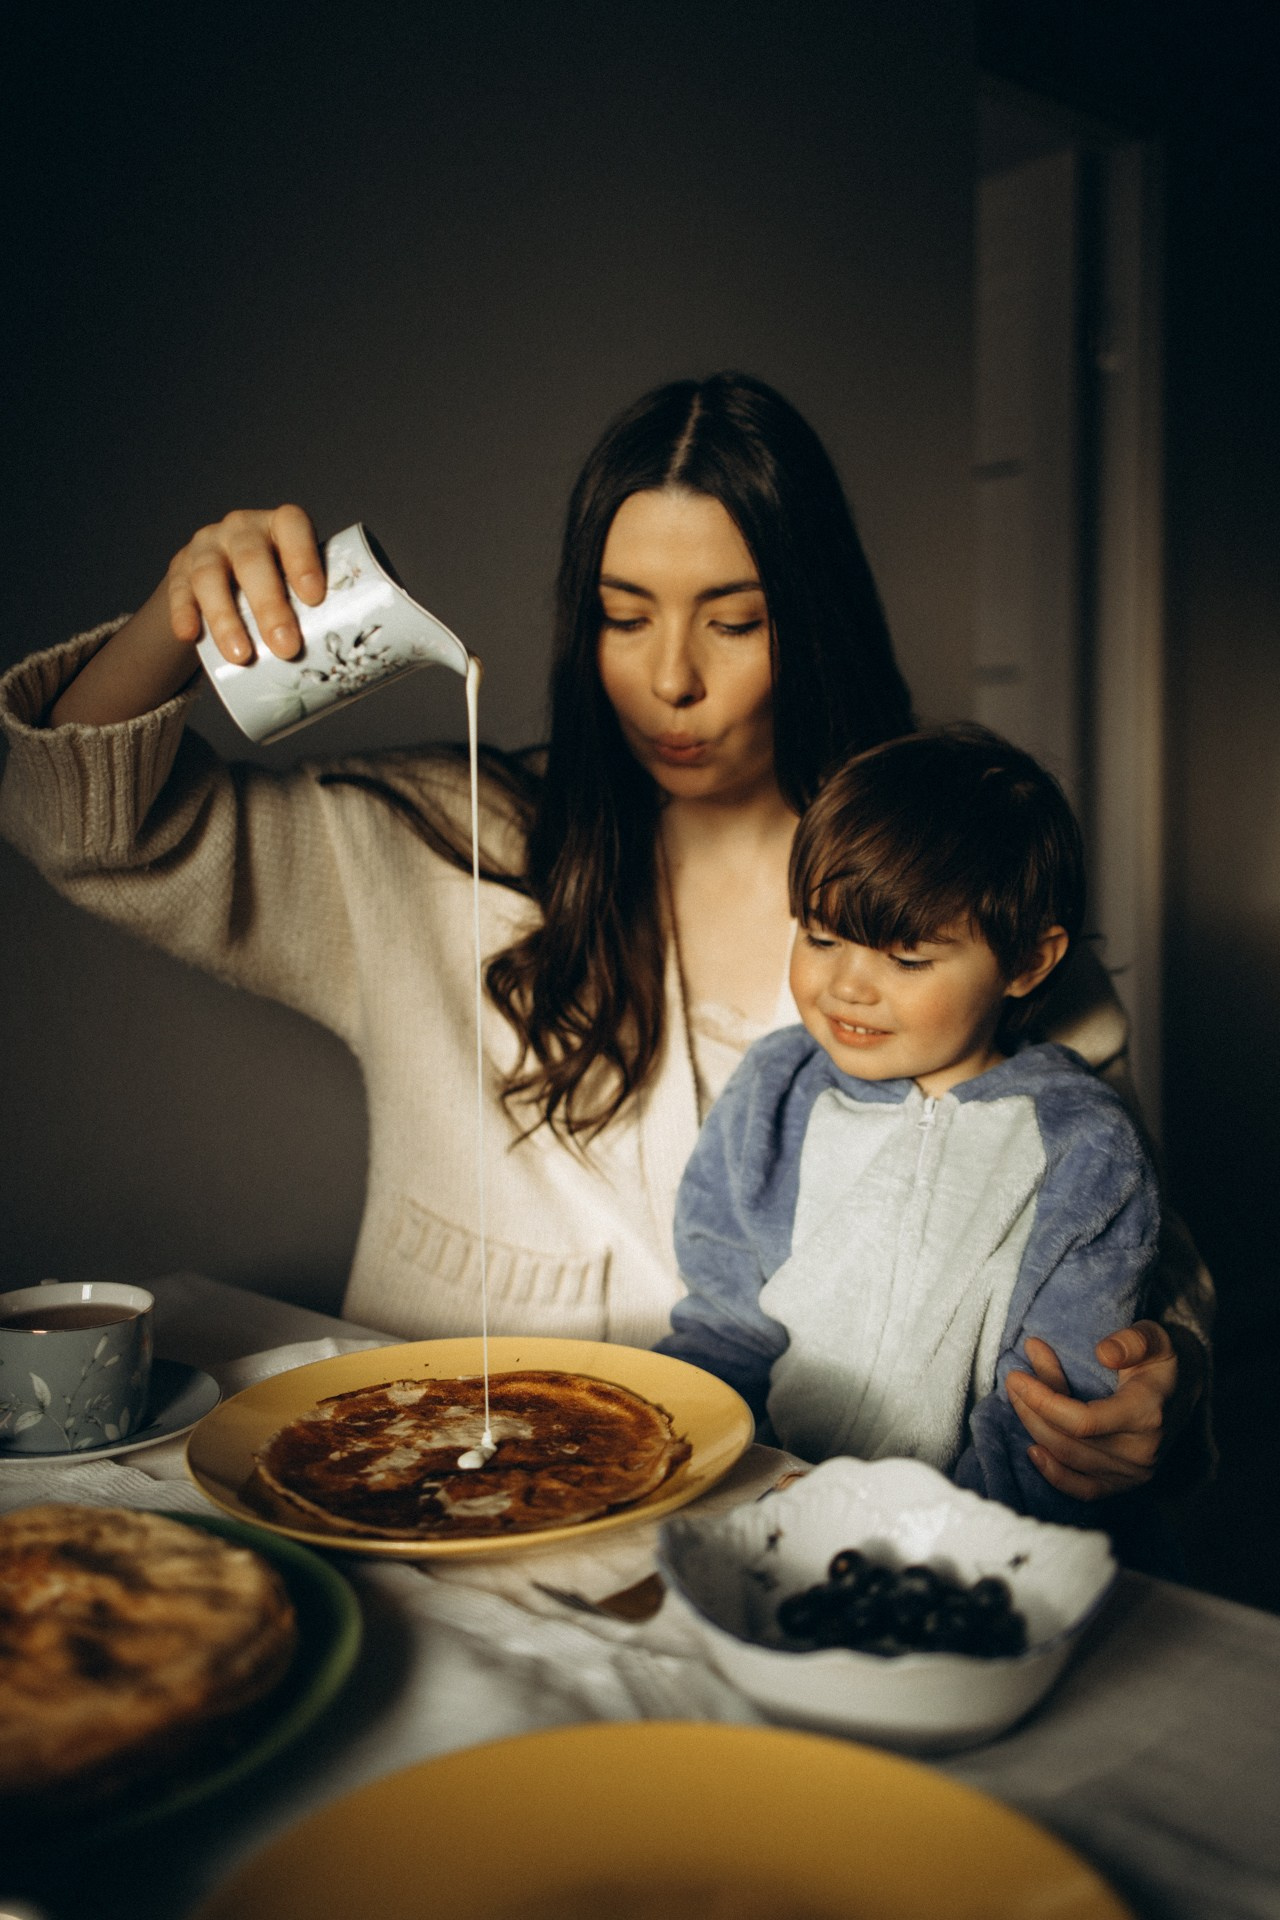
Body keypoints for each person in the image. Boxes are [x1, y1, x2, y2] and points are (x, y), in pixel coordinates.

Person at [0, 372, 1210, 1505]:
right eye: (623, 618)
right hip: (431, 1504)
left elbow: (1130, 1245)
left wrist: (1159, 1381)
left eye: (732, 623)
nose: (668, 679)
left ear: (815, 624)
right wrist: (178, 614)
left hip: (769, 1538)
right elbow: (80, 830)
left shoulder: (946, 902)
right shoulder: (442, 842)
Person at [659, 727, 1161, 1533]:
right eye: (821, 937)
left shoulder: (1083, 1146)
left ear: (1028, 963)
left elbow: (1052, 1405)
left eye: (908, 958)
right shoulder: (773, 1092)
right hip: (765, 1517)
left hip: (969, 1546)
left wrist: (924, 1538)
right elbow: (724, 1332)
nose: (847, 986)